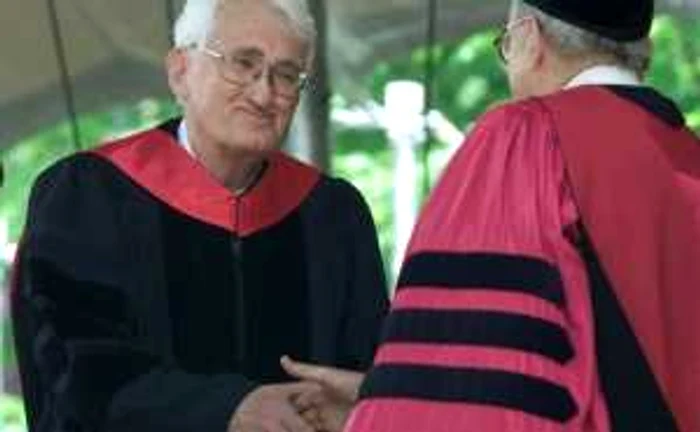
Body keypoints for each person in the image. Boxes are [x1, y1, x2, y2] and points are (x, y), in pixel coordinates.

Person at [283, 0, 700, 430]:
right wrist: (379, 390)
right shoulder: (686, 155)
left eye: (505, 45)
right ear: (644, 49)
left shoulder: (527, 141)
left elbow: (484, 402)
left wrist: (383, 411)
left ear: (530, 39)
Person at [10, 0, 389, 431]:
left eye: (286, 75)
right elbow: (72, 369)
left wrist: (364, 401)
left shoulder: (332, 215)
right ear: (180, 71)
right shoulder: (87, 195)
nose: (264, 93)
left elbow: (373, 365)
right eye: (243, 63)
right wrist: (227, 409)